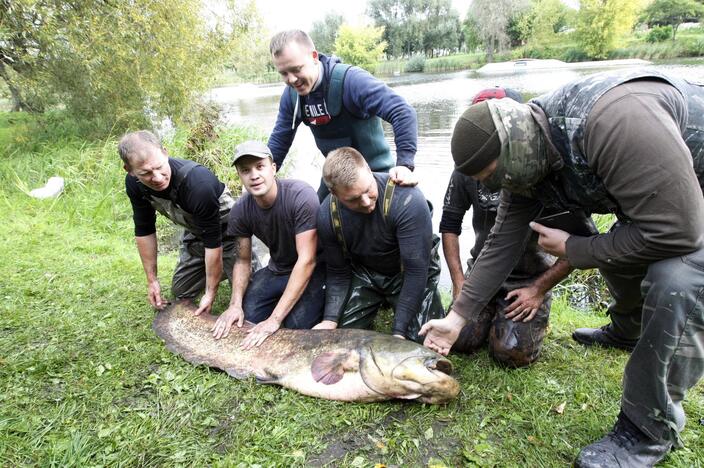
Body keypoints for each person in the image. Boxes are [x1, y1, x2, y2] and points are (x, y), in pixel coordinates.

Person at [420, 70, 704, 467]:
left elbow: (681, 233)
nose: (495, 186)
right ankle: (627, 331)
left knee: (676, 280)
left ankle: (648, 431)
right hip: (659, 196)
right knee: (619, 250)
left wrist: (575, 247)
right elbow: (501, 242)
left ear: (512, 153)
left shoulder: (614, 124)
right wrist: (458, 316)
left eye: (492, 176)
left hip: (691, 205)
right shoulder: (527, 153)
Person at [267, 29, 418, 199]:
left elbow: (402, 112)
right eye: (284, 73)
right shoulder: (291, 96)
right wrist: (265, 173)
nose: (292, 80)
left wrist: (405, 165)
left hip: (376, 173)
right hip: (336, 179)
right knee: (314, 216)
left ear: (314, 57)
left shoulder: (352, 81)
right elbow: (280, 139)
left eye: (296, 69)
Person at [314, 147, 445, 342]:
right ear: (335, 193)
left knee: (422, 339)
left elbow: (416, 272)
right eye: (354, 199)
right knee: (340, 340)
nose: (366, 202)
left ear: (368, 169)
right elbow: (338, 272)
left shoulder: (407, 200)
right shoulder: (327, 214)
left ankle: (402, 315)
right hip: (367, 272)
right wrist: (330, 319)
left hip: (409, 271)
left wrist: (398, 333)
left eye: (368, 190)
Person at [211, 141, 324, 349]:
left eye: (260, 167)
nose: (254, 175)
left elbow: (307, 261)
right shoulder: (240, 210)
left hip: (313, 271)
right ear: (239, 175)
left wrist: (274, 319)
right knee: (247, 318)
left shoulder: (301, 196)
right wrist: (234, 304)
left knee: (295, 327)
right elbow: (243, 260)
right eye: (245, 170)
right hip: (277, 269)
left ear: (273, 168)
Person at [119, 130, 237, 315]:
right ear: (130, 170)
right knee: (182, 292)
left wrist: (210, 292)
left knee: (253, 299)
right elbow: (144, 229)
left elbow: (214, 243)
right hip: (198, 232)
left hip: (232, 232)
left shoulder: (198, 184)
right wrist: (152, 280)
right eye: (146, 173)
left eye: (159, 167)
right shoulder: (134, 184)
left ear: (165, 152)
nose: (157, 178)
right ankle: (220, 270)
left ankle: (236, 267)